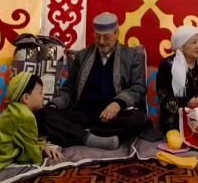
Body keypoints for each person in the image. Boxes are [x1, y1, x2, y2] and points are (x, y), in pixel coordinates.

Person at [36, 12, 150, 150]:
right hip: (83, 115)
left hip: (113, 117)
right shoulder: (82, 56)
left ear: (116, 33)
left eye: (106, 37)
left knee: (138, 119)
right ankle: (92, 138)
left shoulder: (131, 56)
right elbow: (69, 89)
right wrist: (55, 105)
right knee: (43, 114)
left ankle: (78, 134)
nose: (101, 42)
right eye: (97, 36)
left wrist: (118, 103)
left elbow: (138, 87)